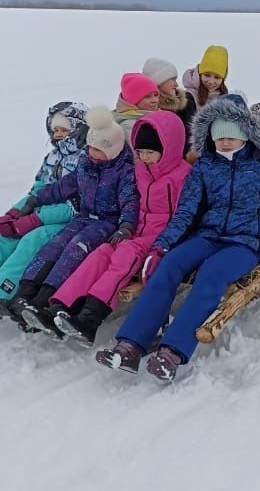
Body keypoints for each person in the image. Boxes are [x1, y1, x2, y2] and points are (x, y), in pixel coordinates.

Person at [95, 95, 260, 383]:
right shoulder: (204, 167)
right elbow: (186, 213)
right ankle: (130, 345)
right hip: (208, 235)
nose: (224, 142)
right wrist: (161, 247)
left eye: (231, 136)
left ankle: (172, 351)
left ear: (245, 134)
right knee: (171, 265)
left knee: (212, 274)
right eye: (218, 136)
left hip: (244, 243)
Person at [48, 111, 191, 346]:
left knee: (125, 255)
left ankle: (90, 318)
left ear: (169, 149)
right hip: (137, 230)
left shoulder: (182, 176)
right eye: (141, 152)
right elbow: (131, 202)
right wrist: (126, 227)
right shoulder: (140, 170)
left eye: (150, 152)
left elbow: (184, 215)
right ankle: (61, 305)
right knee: (102, 252)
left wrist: (161, 242)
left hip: (161, 236)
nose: (144, 157)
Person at [10, 108, 139, 335]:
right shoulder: (85, 164)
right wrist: (36, 198)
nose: (91, 152)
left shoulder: (125, 173)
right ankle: (26, 295)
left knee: (73, 251)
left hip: (105, 225)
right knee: (53, 247)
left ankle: (47, 301)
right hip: (83, 218)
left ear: (113, 150)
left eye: (98, 149)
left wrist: (126, 225)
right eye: (90, 147)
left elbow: (130, 201)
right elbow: (64, 187)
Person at [0, 102, 88, 311]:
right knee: (5, 237)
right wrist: (15, 214)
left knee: (33, 239)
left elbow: (78, 205)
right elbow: (37, 190)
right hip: (41, 213)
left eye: (64, 129)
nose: (58, 135)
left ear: (79, 128)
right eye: (55, 129)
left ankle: (4, 291)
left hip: (70, 221)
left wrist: (35, 219)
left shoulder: (87, 159)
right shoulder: (53, 157)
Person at [142, 57, 196, 150]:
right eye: (173, 80)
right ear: (159, 82)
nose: (176, 84)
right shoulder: (151, 109)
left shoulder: (187, 101)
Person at [113, 73, 160, 140]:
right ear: (133, 101)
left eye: (156, 95)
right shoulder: (130, 125)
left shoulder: (155, 116)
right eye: (147, 96)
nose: (154, 100)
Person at [182, 45, 228, 110]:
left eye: (217, 77)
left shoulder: (227, 100)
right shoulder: (188, 98)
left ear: (223, 79)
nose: (211, 82)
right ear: (200, 74)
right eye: (207, 75)